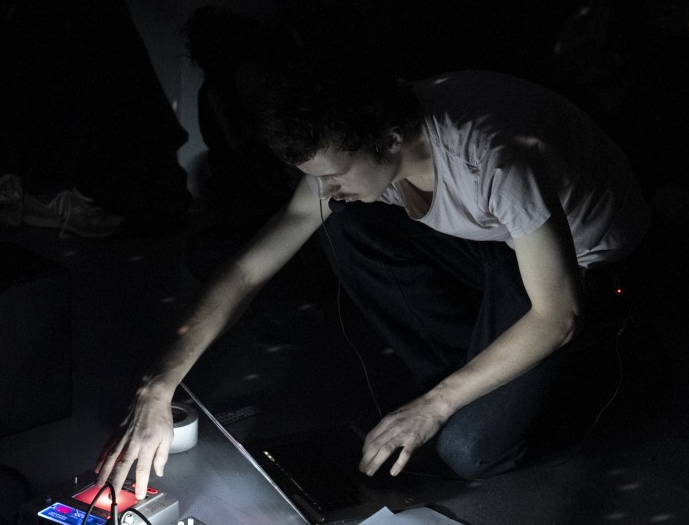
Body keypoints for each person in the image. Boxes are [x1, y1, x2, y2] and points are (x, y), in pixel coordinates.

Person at [94, 65, 650, 499]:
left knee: (468, 450)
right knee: (339, 224)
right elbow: (247, 270)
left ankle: (576, 374)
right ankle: (473, 368)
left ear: (390, 140)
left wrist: (434, 407)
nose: (325, 189)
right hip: (494, 237)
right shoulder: (360, 144)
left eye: (334, 174)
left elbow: (557, 315)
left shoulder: (494, 157)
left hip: (582, 262)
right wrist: (159, 386)